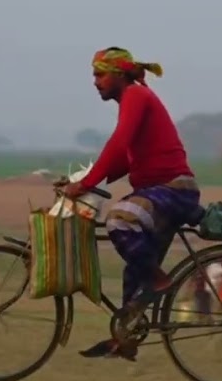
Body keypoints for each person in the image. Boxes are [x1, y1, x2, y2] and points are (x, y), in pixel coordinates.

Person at [58, 47, 203, 361]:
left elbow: (120, 142)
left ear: (119, 74)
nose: (95, 82)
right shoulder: (133, 100)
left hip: (174, 190)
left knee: (120, 220)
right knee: (134, 271)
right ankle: (125, 337)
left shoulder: (136, 97)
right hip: (162, 192)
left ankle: (160, 279)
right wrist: (84, 180)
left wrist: (84, 184)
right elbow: (124, 157)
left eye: (100, 74)